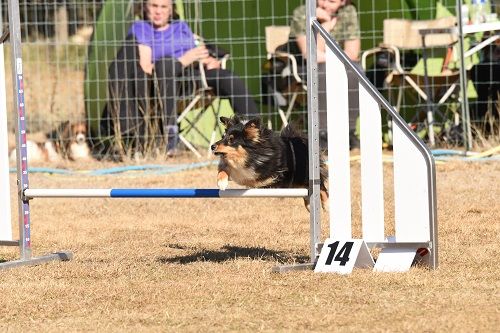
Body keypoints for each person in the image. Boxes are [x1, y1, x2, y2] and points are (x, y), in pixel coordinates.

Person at [104, 0, 259, 157]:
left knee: (229, 78)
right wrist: (183, 59)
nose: (158, 11)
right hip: (164, 82)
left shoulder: (181, 26)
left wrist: (209, 60)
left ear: (171, 10)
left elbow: (197, 53)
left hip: (191, 77)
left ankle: (254, 134)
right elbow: (146, 67)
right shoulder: (141, 28)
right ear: (145, 7)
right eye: (154, 6)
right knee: (166, 64)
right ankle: (169, 133)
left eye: (164, 7)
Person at [289, 0, 361, 150]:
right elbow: (311, 54)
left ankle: (349, 130)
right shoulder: (302, 12)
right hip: (304, 67)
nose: (324, 4)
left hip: (337, 64)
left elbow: (353, 53)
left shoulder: (348, 12)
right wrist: (324, 26)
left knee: (355, 71)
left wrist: (335, 61)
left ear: (343, 2)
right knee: (322, 73)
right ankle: (322, 132)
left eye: (332, 1)